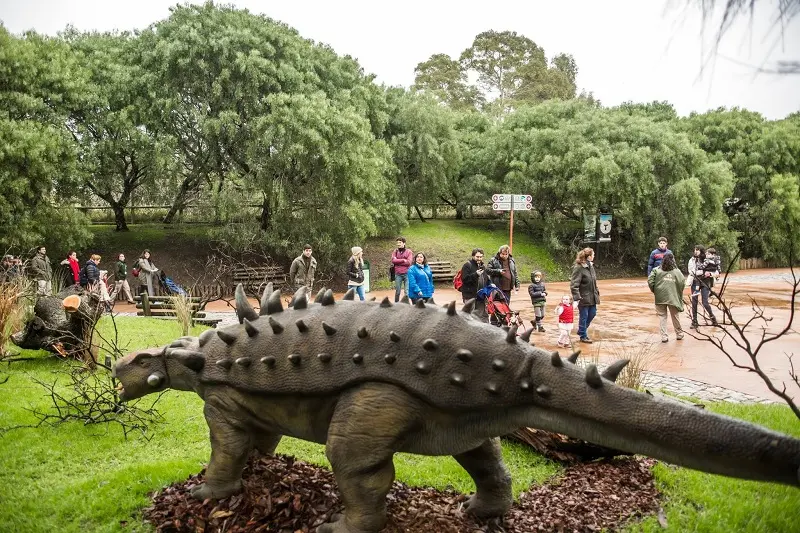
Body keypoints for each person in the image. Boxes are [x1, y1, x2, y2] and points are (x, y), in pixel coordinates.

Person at [648, 253, 685, 343]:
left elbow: (650, 281)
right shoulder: (677, 272)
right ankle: (679, 334)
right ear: (673, 260)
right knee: (675, 316)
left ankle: (664, 336)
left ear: (662, 260)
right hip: (673, 297)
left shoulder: (656, 270)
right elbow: (682, 283)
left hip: (660, 297)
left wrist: (655, 291)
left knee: (662, 317)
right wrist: (677, 292)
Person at [570, 247, 600, 344]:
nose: (594, 256)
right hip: (583, 297)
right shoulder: (579, 268)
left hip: (592, 296)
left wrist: (597, 291)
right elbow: (574, 285)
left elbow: (594, 282)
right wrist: (577, 297)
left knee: (593, 313)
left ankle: (581, 330)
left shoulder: (591, 266)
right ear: (589, 256)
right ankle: (583, 336)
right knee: (584, 316)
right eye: (593, 254)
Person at [390, 237, 413, 302]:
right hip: (398, 274)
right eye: (397, 243)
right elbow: (393, 261)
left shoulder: (409, 252)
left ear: (404, 243)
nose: (398, 244)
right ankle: (396, 304)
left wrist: (398, 262)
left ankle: (407, 304)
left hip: (407, 274)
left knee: (406, 292)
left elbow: (409, 262)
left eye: (400, 242)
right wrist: (403, 260)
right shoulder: (395, 251)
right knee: (398, 291)